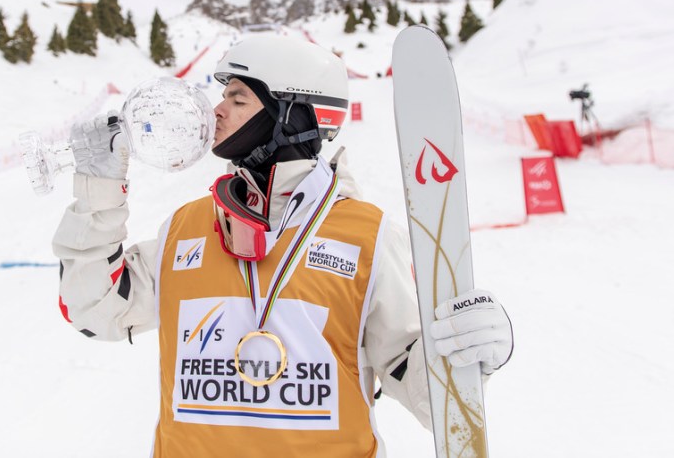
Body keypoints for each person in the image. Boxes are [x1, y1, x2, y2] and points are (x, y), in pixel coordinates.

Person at [52, 34, 513, 457]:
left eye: (237, 97)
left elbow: (425, 395)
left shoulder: (366, 236)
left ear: (293, 113)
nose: (216, 110)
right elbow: (93, 308)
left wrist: (466, 354)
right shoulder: (187, 228)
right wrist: (98, 188)